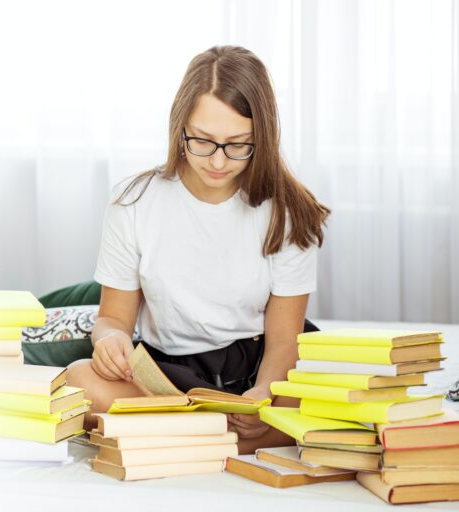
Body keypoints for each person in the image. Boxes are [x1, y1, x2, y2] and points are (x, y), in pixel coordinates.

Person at [66, 45, 330, 454]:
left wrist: (262, 394)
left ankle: (190, 436)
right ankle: (220, 436)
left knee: (334, 400)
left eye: (239, 144)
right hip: (166, 374)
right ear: (180, 128)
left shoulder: (288, 212)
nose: (219, 162)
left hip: (258, 369)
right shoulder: (133, 202)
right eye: (203, 142)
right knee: (77, 380)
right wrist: (108, 342)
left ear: (263, 136)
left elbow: (284, 342)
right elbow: (112, 319)